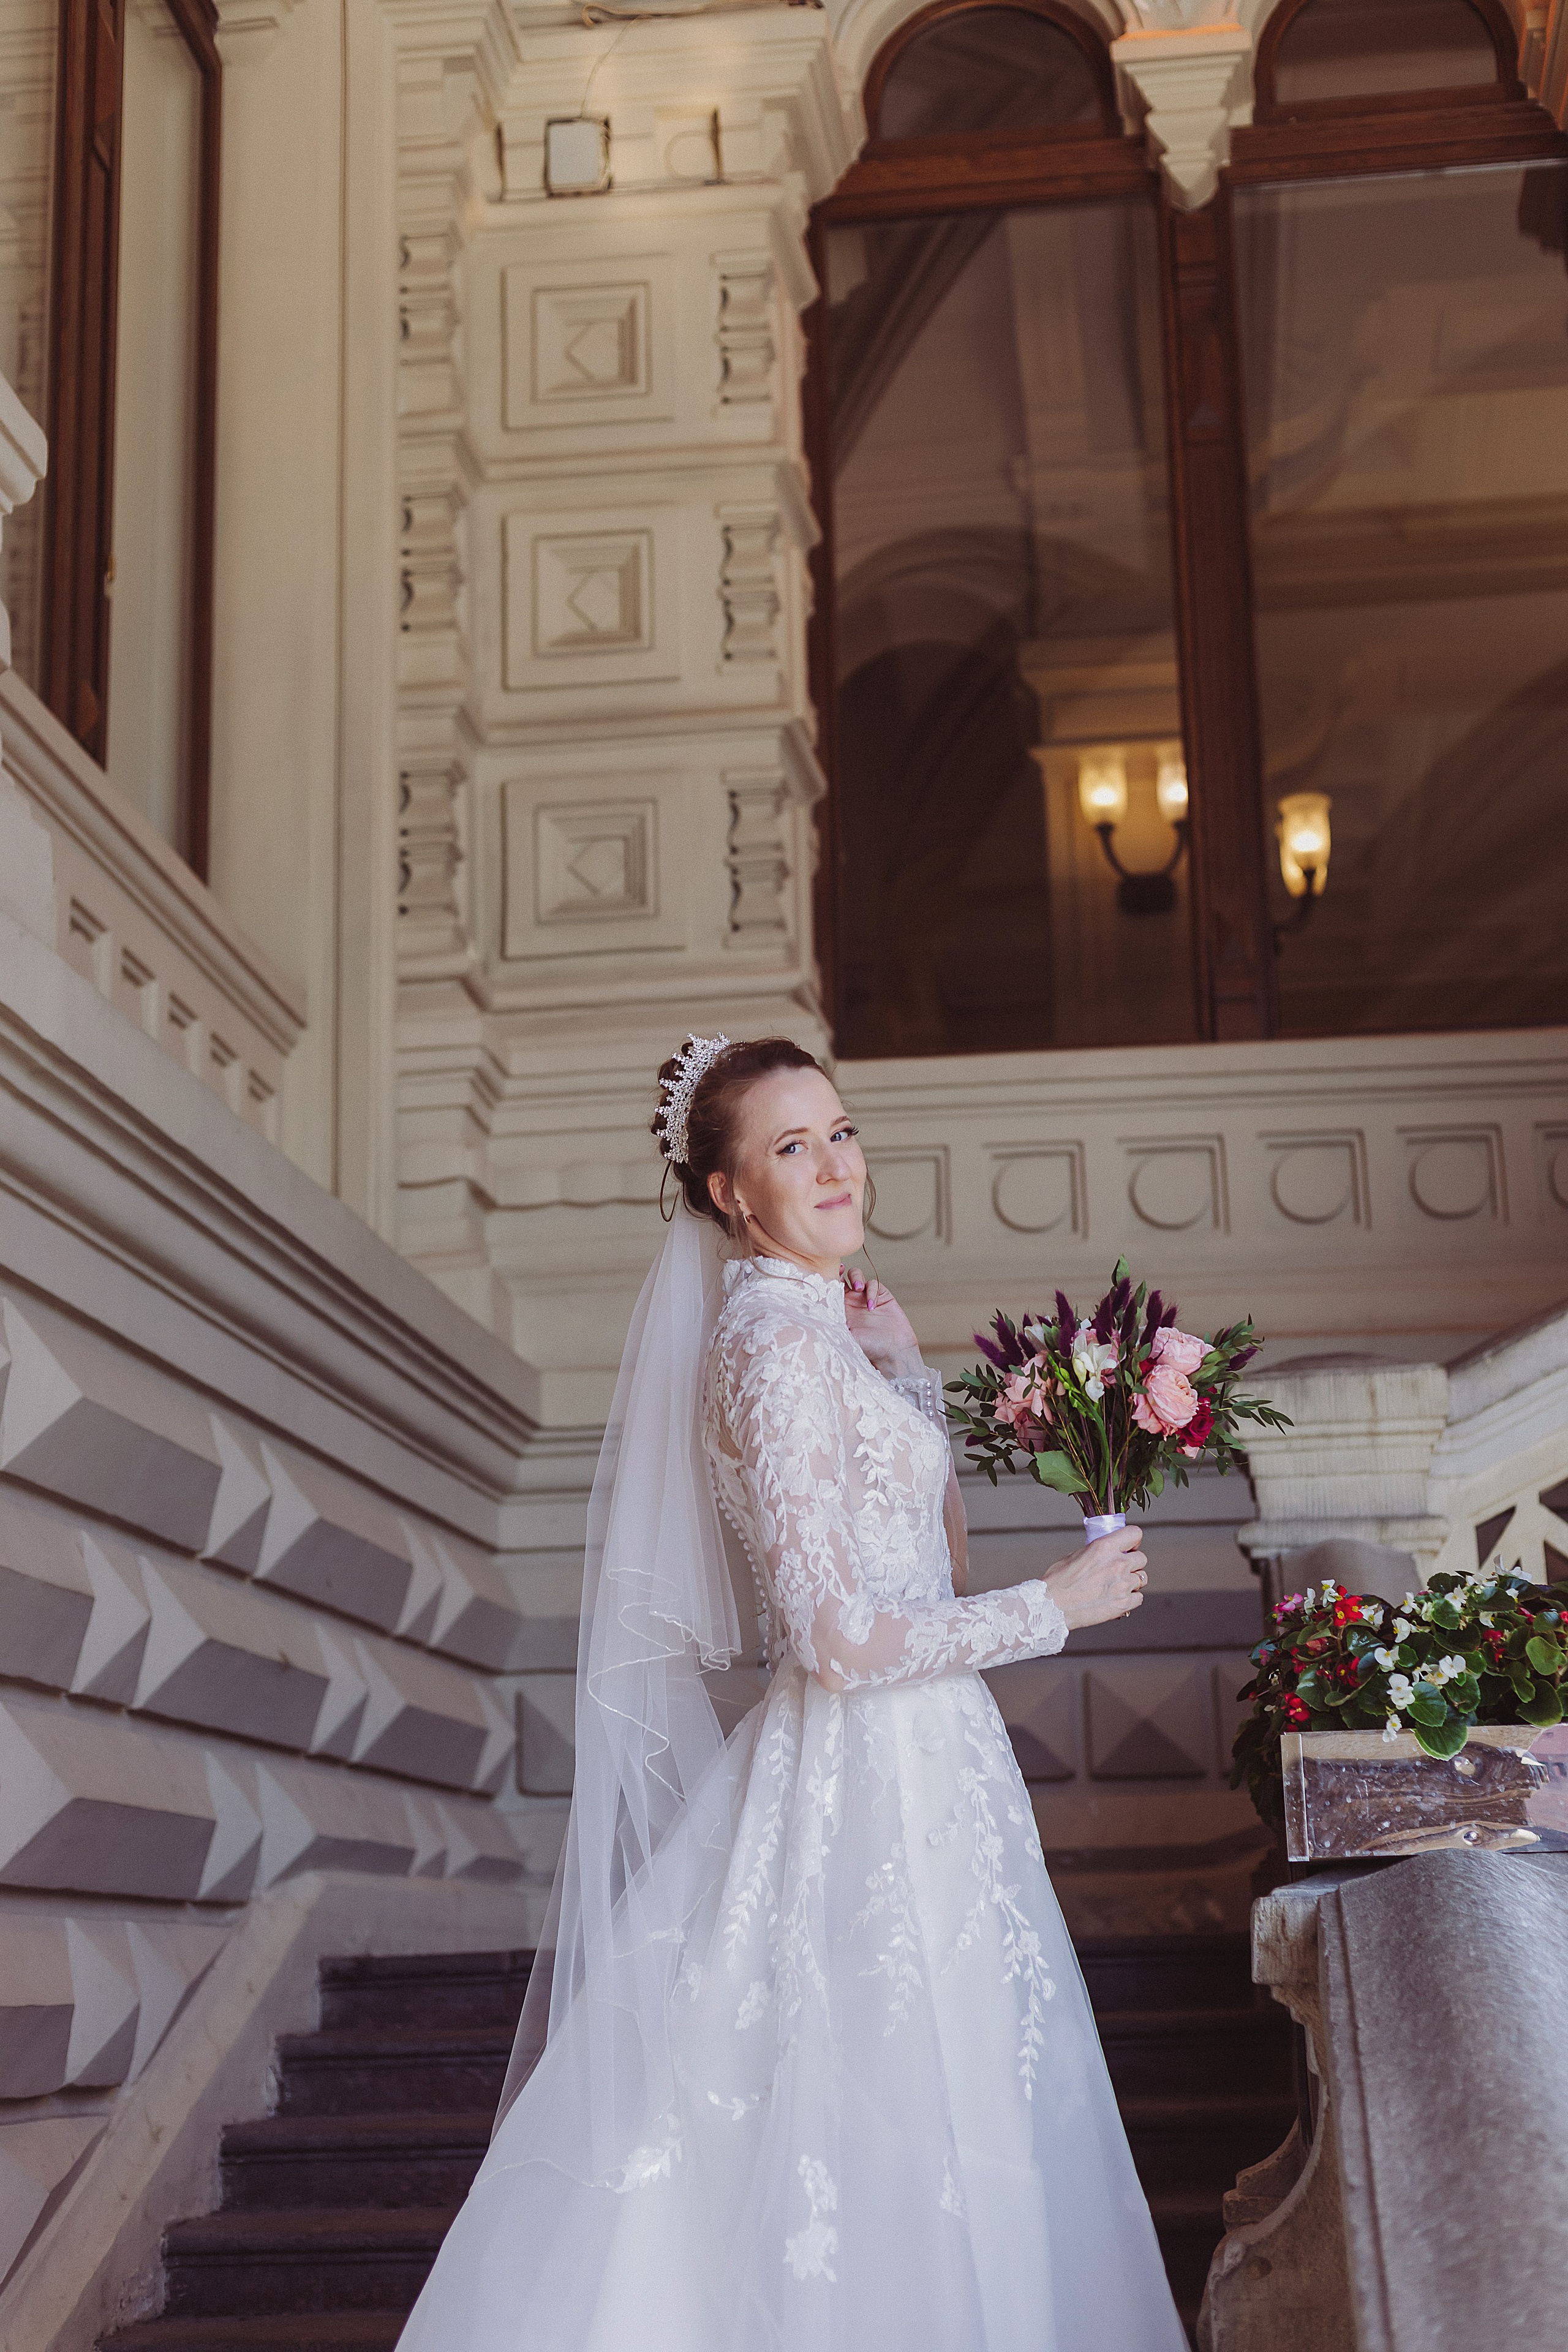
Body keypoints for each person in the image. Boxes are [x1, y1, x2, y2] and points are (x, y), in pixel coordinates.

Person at [397, 1035, 1186, 2352]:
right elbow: (833, 1639)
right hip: (857, 1783)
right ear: (729, 1193)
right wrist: (1053, 1608)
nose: (833, 1165)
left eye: (840, 1132)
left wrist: (903, 1362)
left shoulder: (824, 1335)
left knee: (952, 2110)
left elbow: (929, 1573)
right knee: (871, 2123)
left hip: (933, 1767)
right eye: (790, 1146)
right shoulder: (768, 1344)